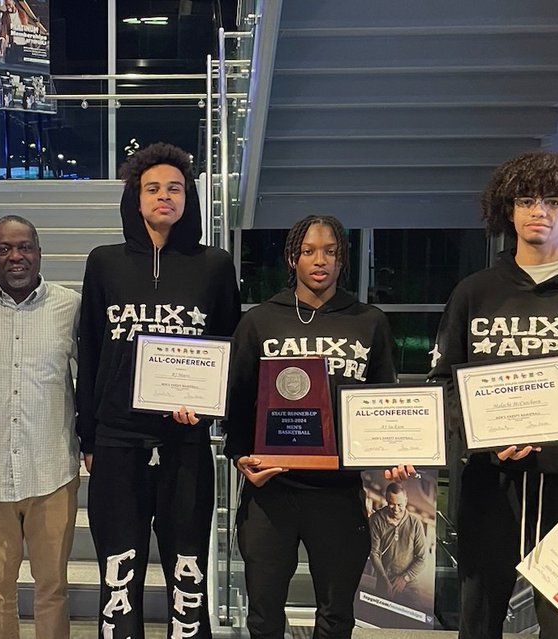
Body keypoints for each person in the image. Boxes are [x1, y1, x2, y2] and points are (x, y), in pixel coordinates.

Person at [429, 152, 558, 639]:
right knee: (479, 623)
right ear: (508, 210)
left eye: (552, 200)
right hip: (489, 484)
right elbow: (442, 387)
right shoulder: (475, 292)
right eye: (526, 200)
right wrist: (482, 438)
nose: (538, 211)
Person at [76, 142, 241, 638]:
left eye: (174, 188)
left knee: (187, 571)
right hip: (117, 441)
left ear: (188, 197)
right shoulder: (104, 262)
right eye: (153, 188)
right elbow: (90, 352)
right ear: (135, 196)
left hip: (184, 443)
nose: (164, 197)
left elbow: (228, 350)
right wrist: (88, 437)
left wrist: (212, 411)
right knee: (118, 573)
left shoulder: (214, 265)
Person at [224, 214, 414, 639]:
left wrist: (395, 452)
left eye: (330, 251)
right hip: (271, 490)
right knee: (264, 613)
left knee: (336, 614)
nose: (319, 260)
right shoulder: (260, 321)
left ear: (342, 259)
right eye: (309, 251)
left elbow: (384, 401)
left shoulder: (368, 322)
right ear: (293, 257)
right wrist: (239, 456)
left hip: (339, 492)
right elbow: (237, 401)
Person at [0, 215, 81, 638]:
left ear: (40, 252)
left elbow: (100, 376)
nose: (15, 256)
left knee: (52, 589)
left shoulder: (70, 307)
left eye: (24, 246)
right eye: (4, 249)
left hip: (53, 473)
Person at [367, 482, 426, 601]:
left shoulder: (415, 523)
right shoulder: (376, 520)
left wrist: (405, 578)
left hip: (410, 584)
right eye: (391, 504)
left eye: (400, 504)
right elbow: (374, 553)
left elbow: (421, 558)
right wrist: (383, 578)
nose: (396, 509)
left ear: (406, 500)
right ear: (386, 500)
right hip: (384, 580)